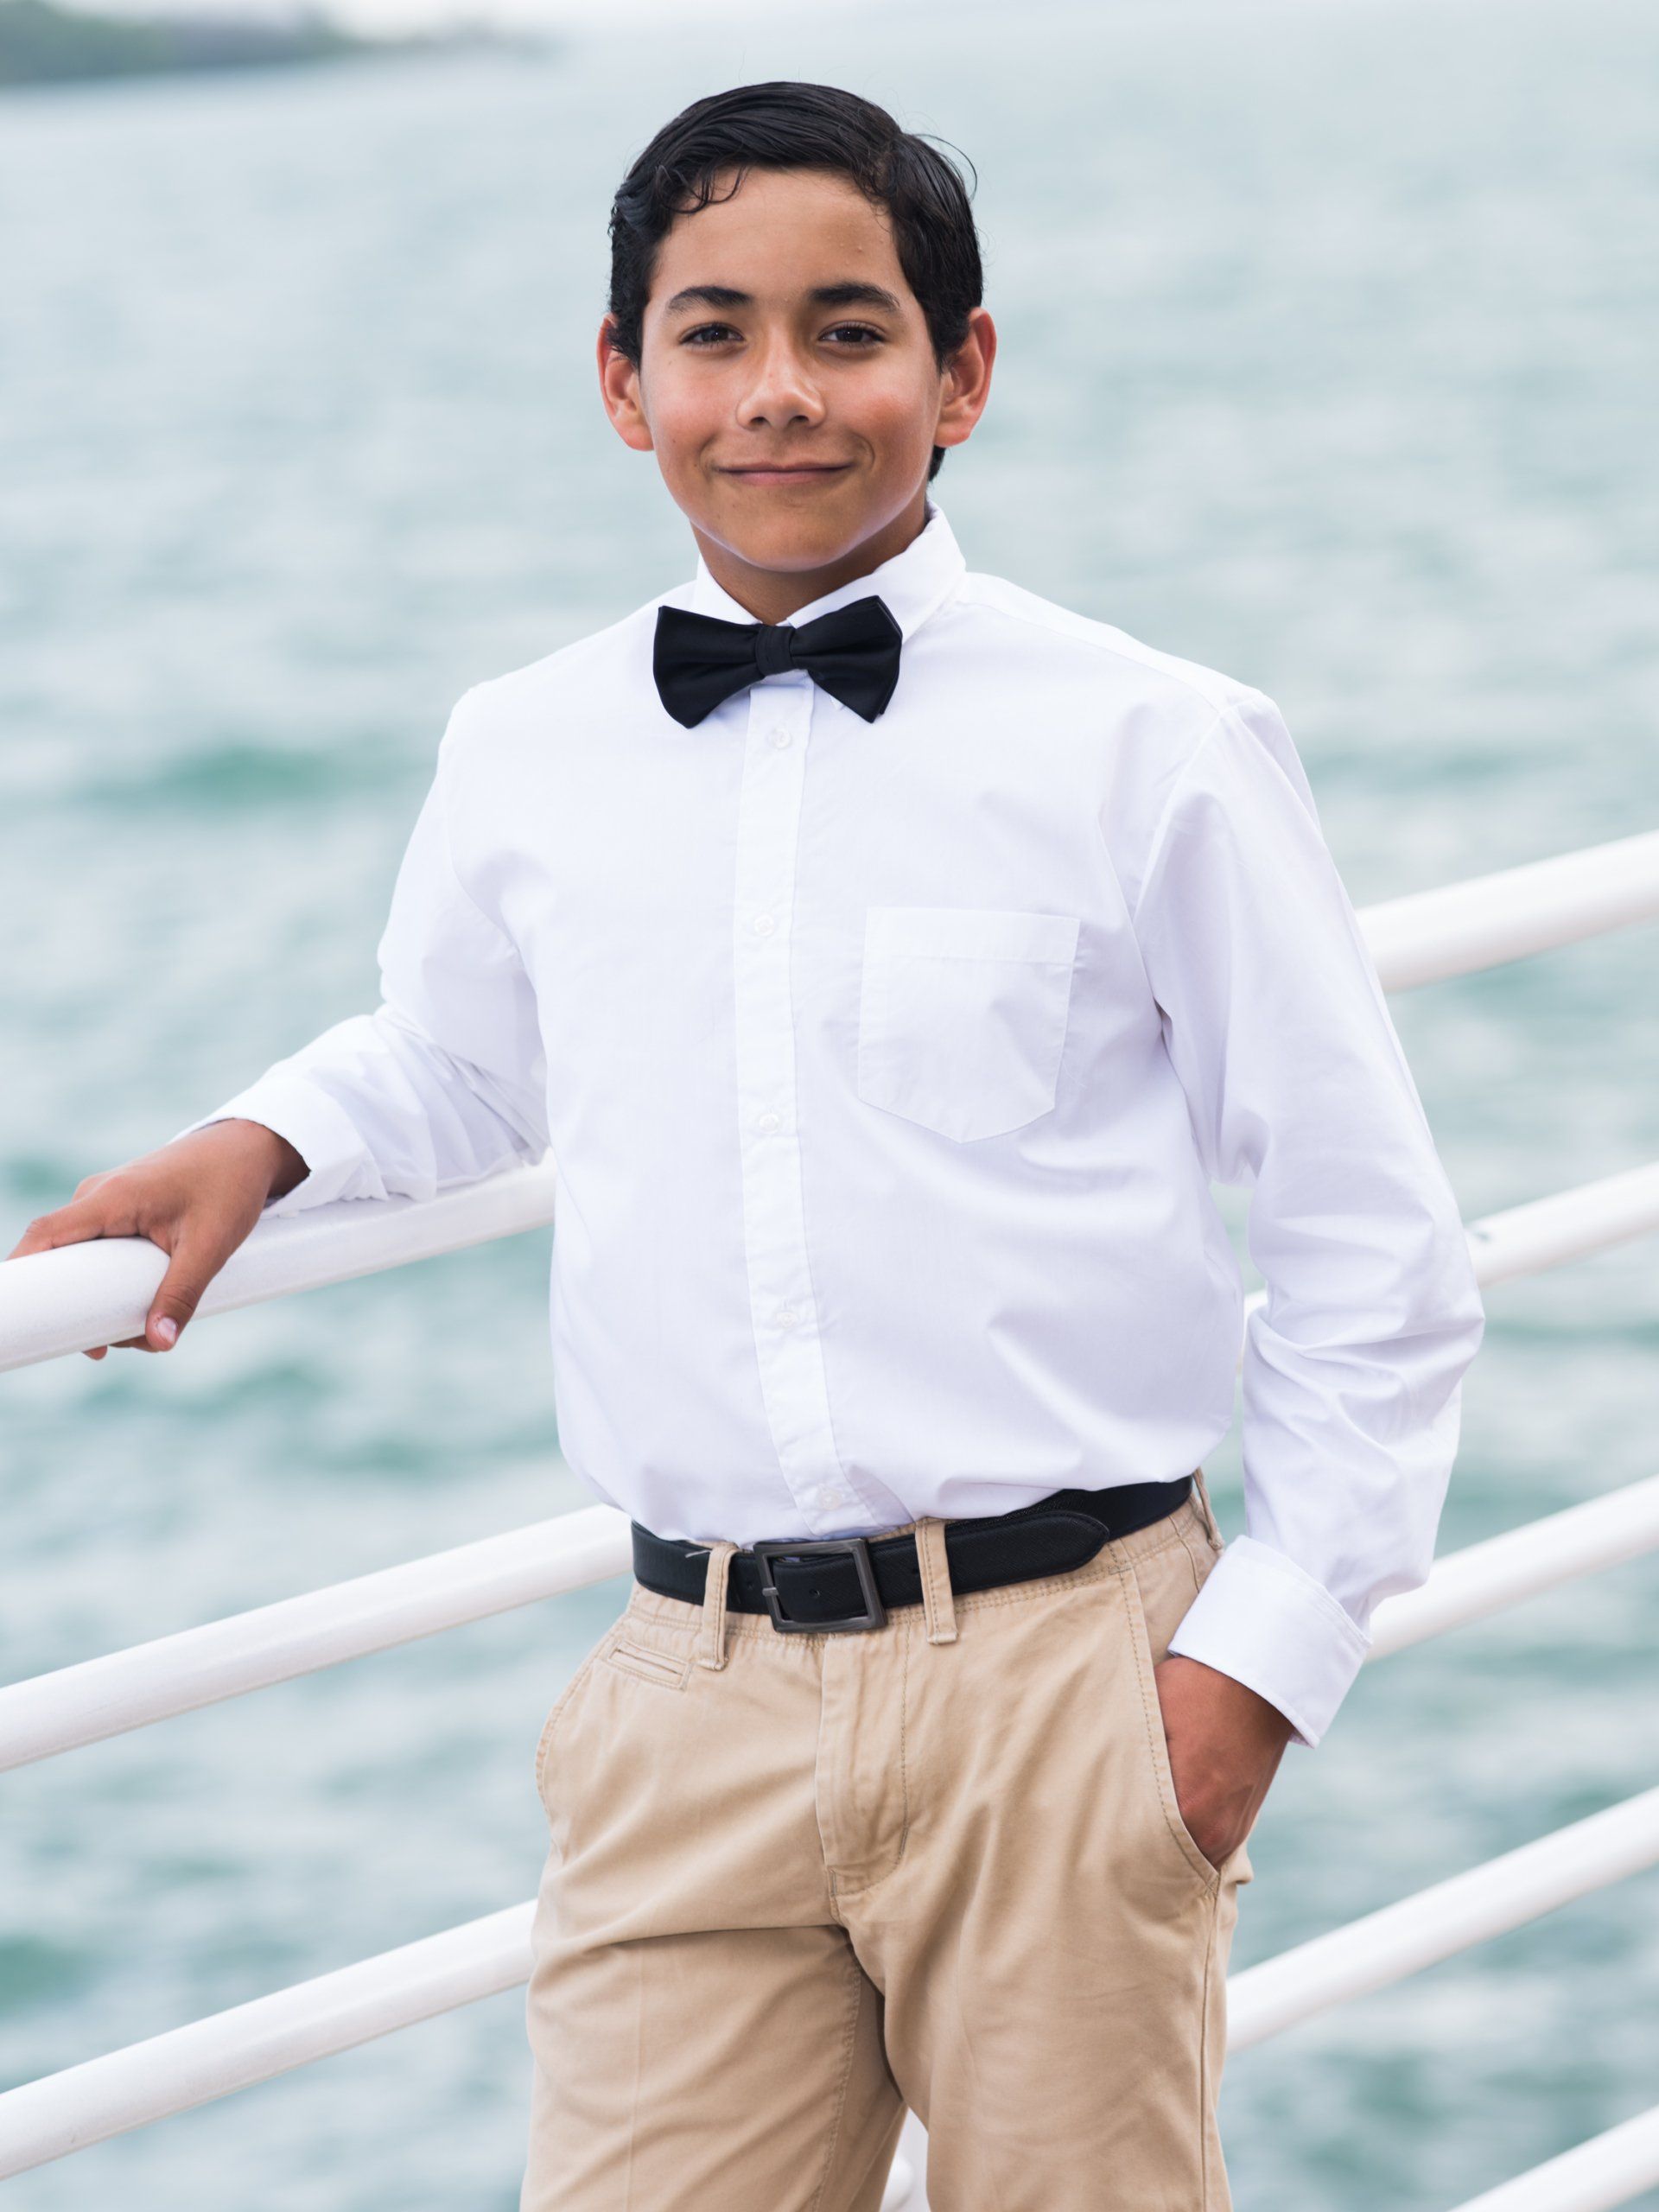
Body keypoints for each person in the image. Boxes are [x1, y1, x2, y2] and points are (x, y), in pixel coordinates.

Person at [10, 80, 1485, 2212]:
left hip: (1063, 1673)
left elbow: (1369, 1237)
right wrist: (270, 1134)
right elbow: (465, 1057)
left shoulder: (1150, 740)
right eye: (714, 333)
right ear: (626, 385)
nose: (778, 390)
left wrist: (1258, 1665)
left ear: (961, 374)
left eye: (847, 330)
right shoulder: (524, 745)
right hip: (683, 1691)